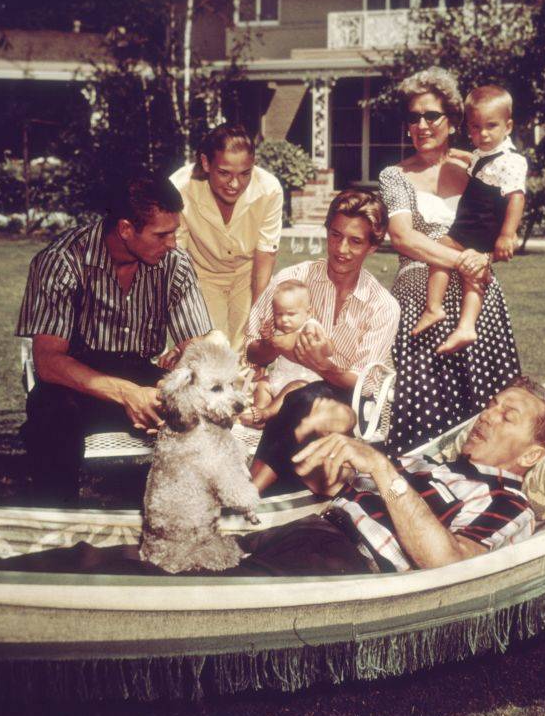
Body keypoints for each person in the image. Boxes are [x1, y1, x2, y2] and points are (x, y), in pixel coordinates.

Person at [0, 377, 545, 576]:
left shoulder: (506, 502)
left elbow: (450, 562)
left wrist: (379, 464)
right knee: (153, 562)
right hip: (307, 532)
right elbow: (332, 489)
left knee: (170, 589)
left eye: (507, 415)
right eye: (492, 404)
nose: (487, 415)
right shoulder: (436, 465)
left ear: (530, 455)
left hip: (341, 561)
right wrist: (326, 457)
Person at [15, 173, 212, 505]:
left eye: (174, 233)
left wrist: (186, 368)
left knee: (203, 404)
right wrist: (126, 394)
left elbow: (197, 345)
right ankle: (55, 523)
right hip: (75, 379)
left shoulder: (174, 265)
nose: (173, 244)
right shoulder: (61, 261)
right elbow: (48, 363)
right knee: (51, 415)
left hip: (139, 371)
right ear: (125, 229)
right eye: (162, 234)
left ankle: (190, 516)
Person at [379, 67, 521, 457]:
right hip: (422, 296)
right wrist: (463, 262)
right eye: (413, 117)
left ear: (453, 120)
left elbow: (502, 217)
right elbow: (404, 237)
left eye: (431, 116)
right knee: (425, 401)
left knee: (491, 408)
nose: (422, 125)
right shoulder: (395, 175)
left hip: (479, 298)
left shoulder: (478, 165)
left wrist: (487, 254)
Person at [244, 189, 401, 495]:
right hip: (285, 388)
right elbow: (251, 348)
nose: (341, 249)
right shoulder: (293, 279)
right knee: (297, 397)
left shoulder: (382, 305)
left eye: (355, 241)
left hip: (344, 401)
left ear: (373, 246)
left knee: (304, 397)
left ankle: (250, 490)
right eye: (335, 235)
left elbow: (362, 384)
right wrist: (277, 344)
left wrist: (320, 365)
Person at [412, 85, 528, 354]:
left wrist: (507, 234)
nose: (482, 134)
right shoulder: (483, 154)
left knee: (440, 249)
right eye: (475, 128)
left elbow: (516, 197)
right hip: (473, 221)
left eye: (491, 126)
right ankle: (466, 326)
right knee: (473, 275)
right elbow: (473, 160)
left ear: (508, 126)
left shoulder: (512, 161)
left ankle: (434, 307)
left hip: (481, 222)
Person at [170, 124, 283, 352]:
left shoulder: (270, 190)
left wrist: (258, 313)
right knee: (213, 352)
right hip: (202, 276)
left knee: (246, 355)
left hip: (248, 275)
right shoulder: (180, 188)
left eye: (244, 174)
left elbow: (265, 255)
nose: (235, 184)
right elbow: (174, 255)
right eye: (224, 173)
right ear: (205, 163)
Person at [240, 280, 324, 427]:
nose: (284, 320)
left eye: (291, 314)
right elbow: (269, 352)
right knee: (262, 384)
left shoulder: (310, 327)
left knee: (294, 387)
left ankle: (266, 413)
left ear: (308, 313)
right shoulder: (279, 332)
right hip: (280, 379)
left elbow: (317, 347)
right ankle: (259, 414)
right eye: (279, 314)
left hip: (304, 382)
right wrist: (267, 340)